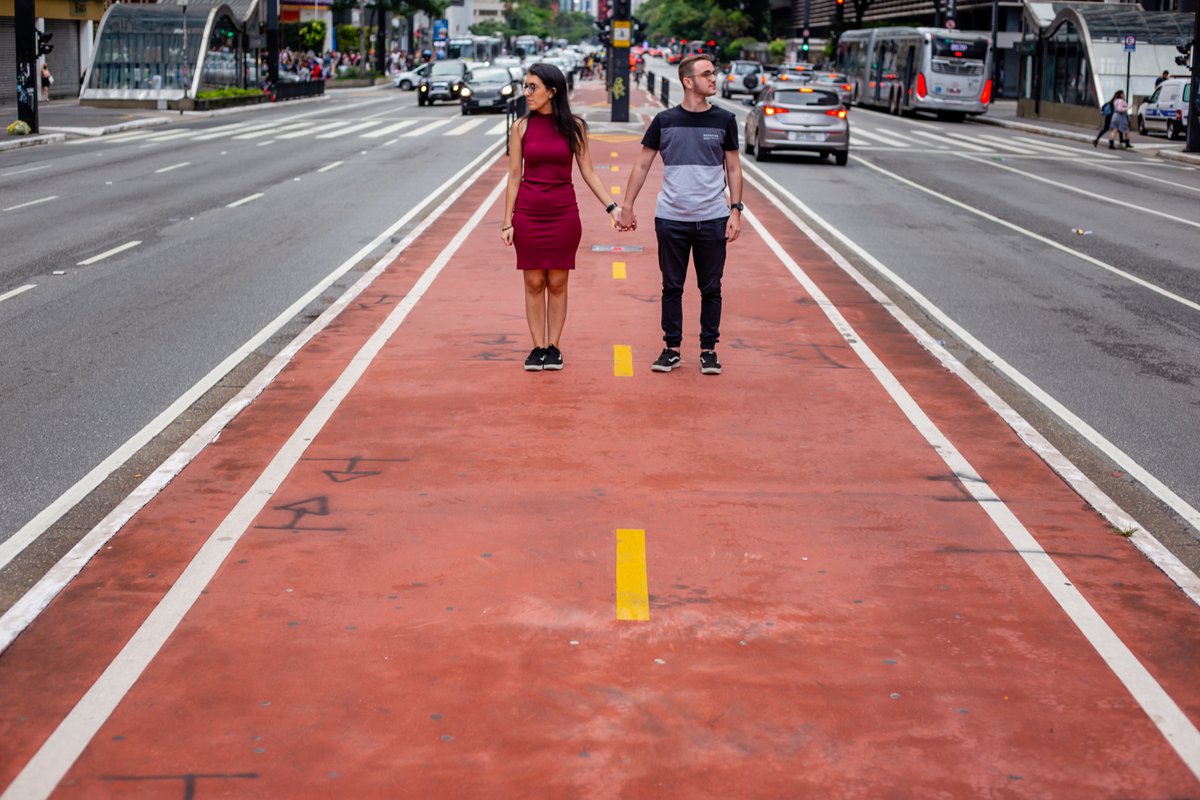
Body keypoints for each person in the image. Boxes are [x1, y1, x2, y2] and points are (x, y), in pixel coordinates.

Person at [616, 53, 743, 376]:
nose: (714, 79)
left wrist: (735, 211)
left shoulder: (724, 120)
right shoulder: (664, 121)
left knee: (711, 287)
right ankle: (671, 348)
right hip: (671, 218)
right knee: (672, 286)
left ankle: (708, 350)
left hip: (713, 218)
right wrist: (627, 206)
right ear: (688, 82)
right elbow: (642, 164)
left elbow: (733, 167)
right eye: (707, 74)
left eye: (714, 73)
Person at [501, 63, 622, 372]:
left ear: (552, 91)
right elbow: (514, 176)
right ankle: (537, 347)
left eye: (533, 87)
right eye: (526, 86)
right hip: (528, 213)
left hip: (563, 214)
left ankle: (553, 347)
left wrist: (613, 207)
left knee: (556, 282)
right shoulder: (520, 127)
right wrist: (507, 221)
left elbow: (589, 171)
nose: (526, 93)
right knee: (532, 282)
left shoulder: (575, 127)